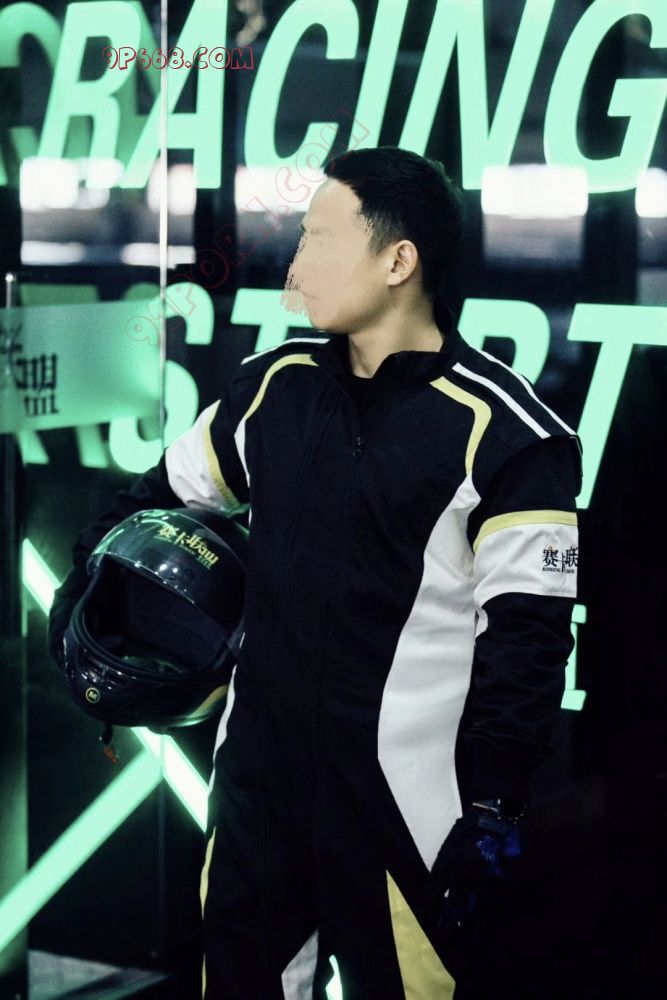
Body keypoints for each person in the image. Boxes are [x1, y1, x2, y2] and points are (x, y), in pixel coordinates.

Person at [49, 145, 582, 1000]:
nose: (295, 268)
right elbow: (153, 500)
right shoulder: (273, 389)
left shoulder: (512, 437)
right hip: (257, 793)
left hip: (405, 813)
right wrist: (84, 592)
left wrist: (493, 806)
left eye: (319, 239)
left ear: (398, 262)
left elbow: (526, 645)